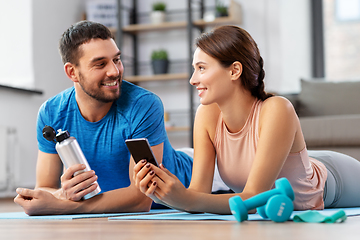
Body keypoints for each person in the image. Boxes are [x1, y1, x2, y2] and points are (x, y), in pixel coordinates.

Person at [134, 25, 360, 214]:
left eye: (201, 68)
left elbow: (254, 198)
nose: (193, 80)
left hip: (336, 179)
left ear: (234, 71)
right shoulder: (206, 115)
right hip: (296, 166)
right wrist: (164, 193)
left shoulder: (277, 109)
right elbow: (198, 194)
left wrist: (185, 199)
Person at [14, 20, 193, 215]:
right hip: (109, 201)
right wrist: (63, 193)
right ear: (72, 72)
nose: (114, 71)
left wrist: (64, 205)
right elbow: (45, 188)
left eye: (116, 59)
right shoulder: (52, 112)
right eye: (100, 64)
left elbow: (141, 199)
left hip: (198, 180)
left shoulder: (143, 104)